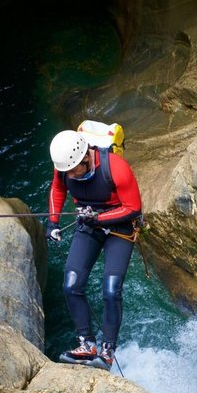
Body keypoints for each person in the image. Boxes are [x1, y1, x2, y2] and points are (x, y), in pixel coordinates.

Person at [46, 130, 142, 371]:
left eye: (73, 170)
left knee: (110, 290)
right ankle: (86, 343)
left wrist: (98, 219)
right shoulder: (65, 166)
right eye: (66, 171)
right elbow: (58, 189)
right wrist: (53, 222)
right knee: (71, 284)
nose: (69, 175)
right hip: (89, 223)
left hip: (119, 227)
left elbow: (133, 208)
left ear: (85, 159)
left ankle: (107, 350)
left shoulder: (116, 168)